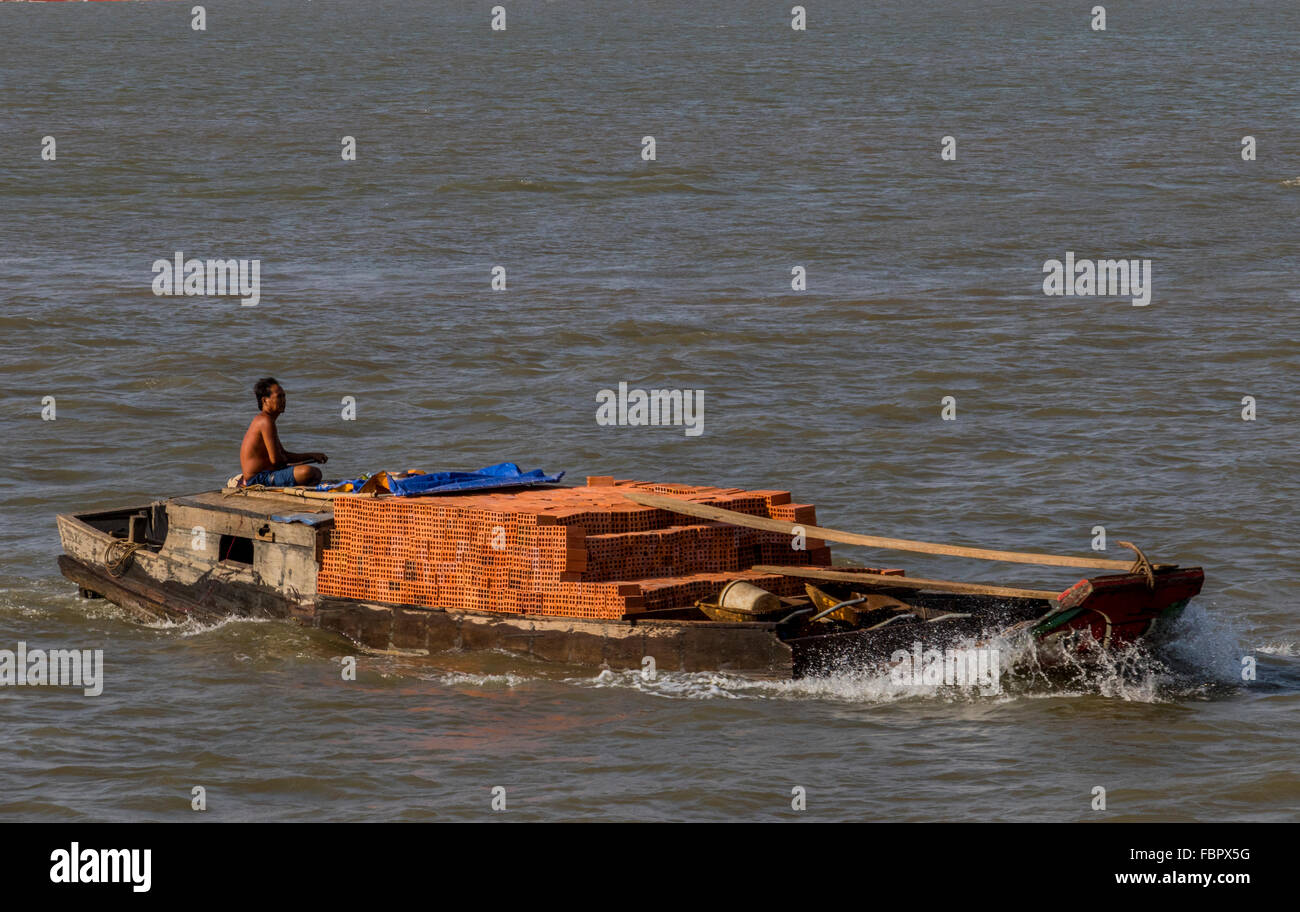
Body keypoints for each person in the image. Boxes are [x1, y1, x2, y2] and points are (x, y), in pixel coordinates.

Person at [239, 377, 328, 487]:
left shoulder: (266, 420)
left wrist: (312, 456)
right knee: (311, 473)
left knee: (313, 473)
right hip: (258, 479)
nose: (283, 400)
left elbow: (282, 455)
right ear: (264, 400)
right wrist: (295, 464)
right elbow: (277, 461)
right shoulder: (265, 421)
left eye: (284, 396)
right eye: (279, 396)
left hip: (265, 475)